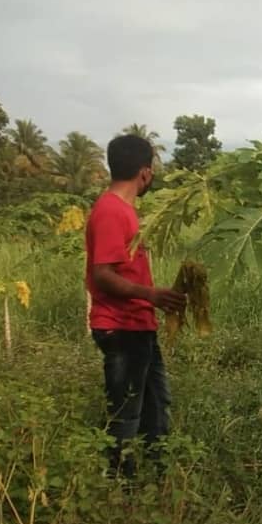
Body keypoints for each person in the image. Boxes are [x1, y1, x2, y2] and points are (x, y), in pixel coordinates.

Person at [85, 134, 186, 478]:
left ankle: (157, 479)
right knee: (126, 415)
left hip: (138, 325)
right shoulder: (112, 211)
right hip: (121, 325)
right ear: (145, 172)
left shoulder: (123, 210)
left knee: (156, 406)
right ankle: (120, 490)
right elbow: (102, 275)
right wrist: (151, 295)